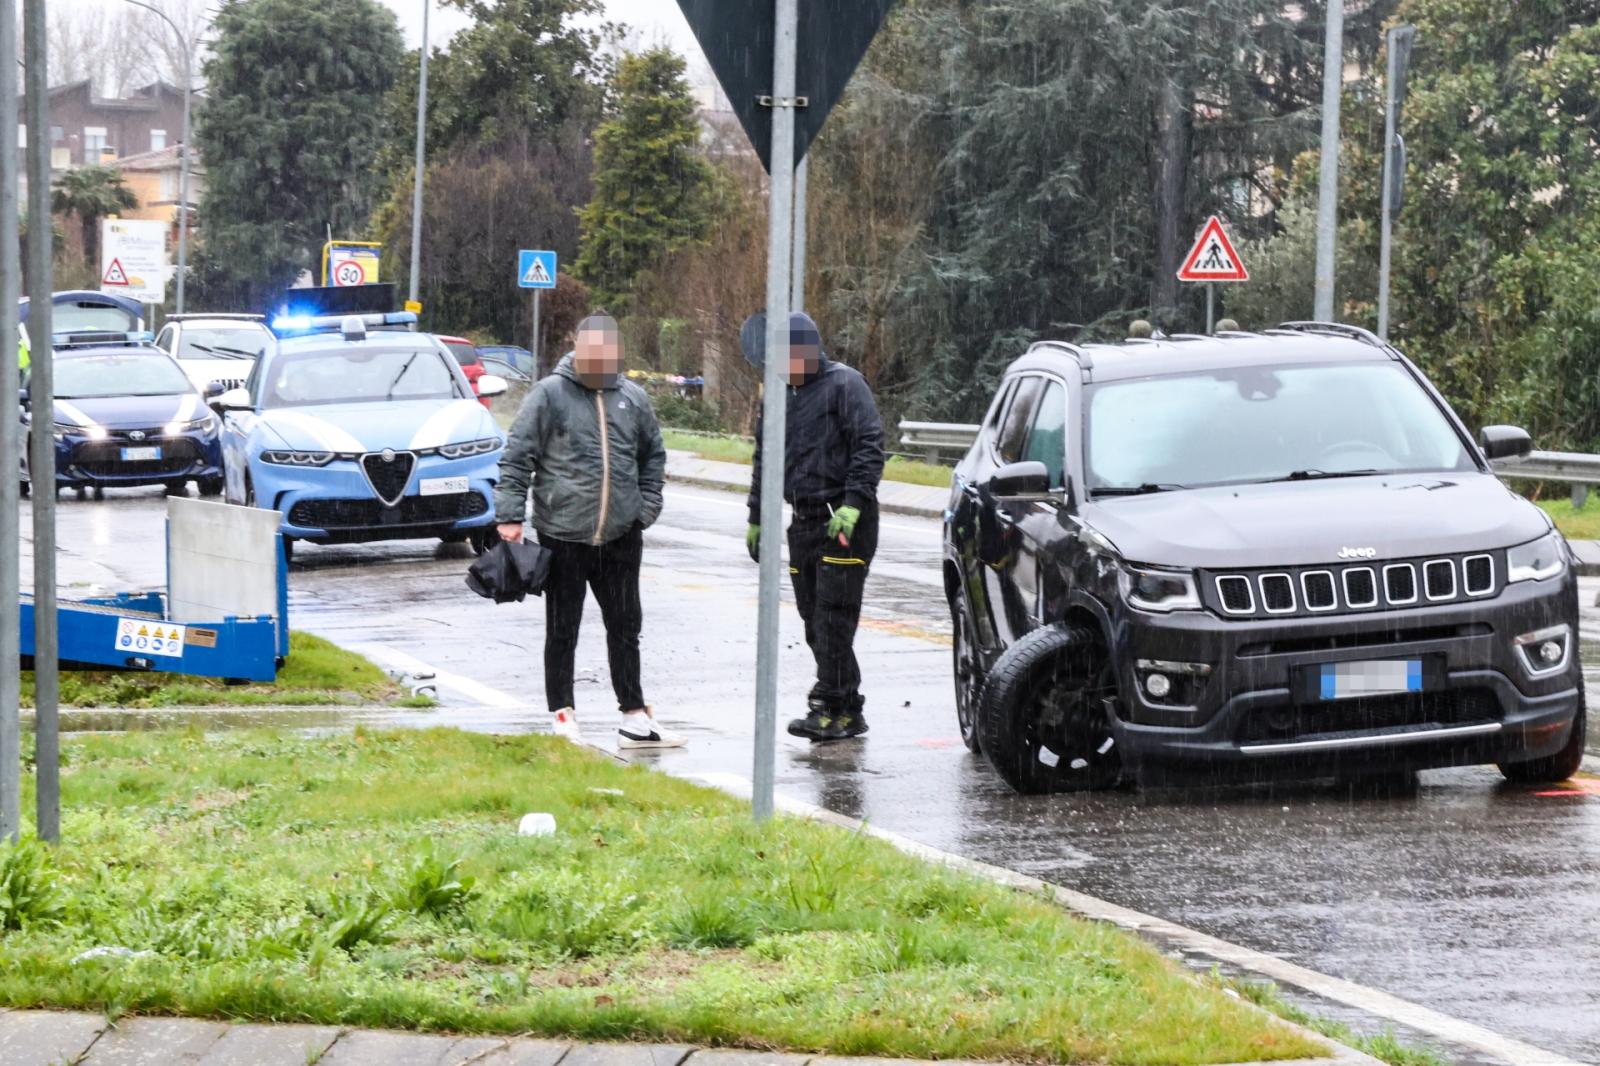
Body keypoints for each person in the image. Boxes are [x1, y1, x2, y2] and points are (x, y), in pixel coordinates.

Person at [494, 312, 684, 749]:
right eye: (589, 350)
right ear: (576, 347)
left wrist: (646, 506)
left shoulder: (632, 398)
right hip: (563, 534)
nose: (597, 358)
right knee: (563, 629)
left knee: (625, 627)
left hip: (621, 534)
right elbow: (517, 456)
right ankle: (563, 714)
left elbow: (653, 455)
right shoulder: (549, 395)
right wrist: (510, 516)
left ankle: (635, 717)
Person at [746, 312, 885, 741]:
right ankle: (847, 709)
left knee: (832, 619)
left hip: (842, 521)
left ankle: (826, 705)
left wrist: (854, 503)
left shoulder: (845, 385)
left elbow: (869, 444)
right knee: (813, 620)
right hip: (803, 521)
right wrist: (757, 516)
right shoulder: (778, 398)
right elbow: (764, 460)